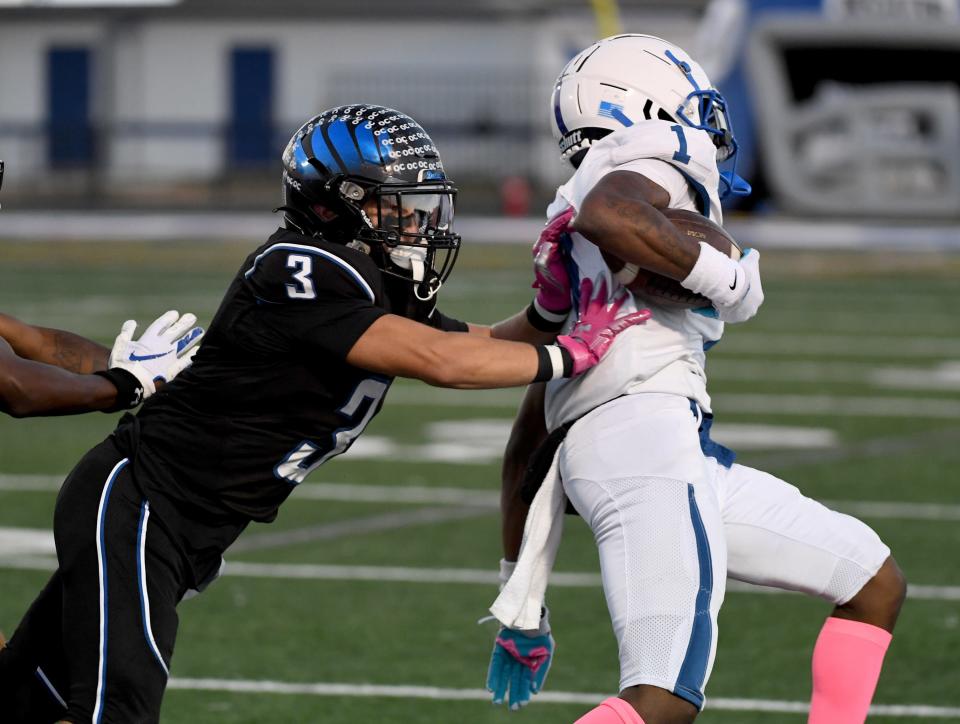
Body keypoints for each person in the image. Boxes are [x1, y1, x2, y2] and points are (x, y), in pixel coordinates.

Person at [0, 104, 649, 724]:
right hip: (141, 505)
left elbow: (472, 345)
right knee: (119, 710)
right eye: (393, 203)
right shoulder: (299, 266)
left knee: (23, 697)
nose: (418, 221)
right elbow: (437, 360)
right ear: (334, 204)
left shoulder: (367, 278)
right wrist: (573, 354)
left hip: (189, 525)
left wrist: (549, 314)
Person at [485, 36, 906, 724]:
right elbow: (614, 215)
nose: (705, 123)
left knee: (872, 581)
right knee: (663, 700)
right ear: (643, 103)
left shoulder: (576, 202)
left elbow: (530, 433)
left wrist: (518, 593)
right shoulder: (646, 158)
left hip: (649, 443)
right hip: (644, 438)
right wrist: (729, 279)